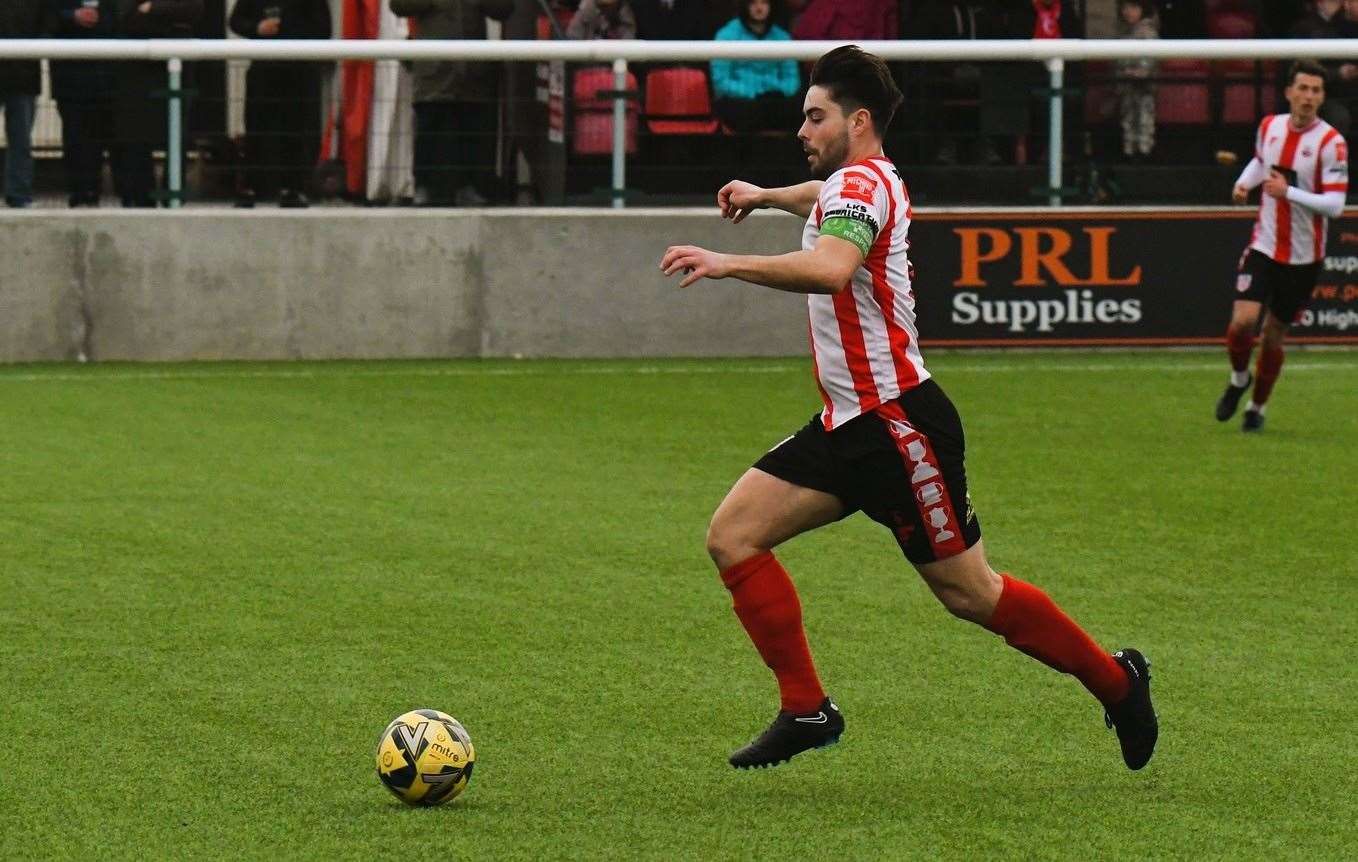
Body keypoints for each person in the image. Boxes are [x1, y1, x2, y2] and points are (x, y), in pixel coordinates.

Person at [659, 45, 1158, 771]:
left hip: (898, 424)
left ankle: (1118, 683)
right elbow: (824, 201)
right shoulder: (862, 181)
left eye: (815, 116)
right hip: (847, 423)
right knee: (733, 537)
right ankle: (806, 709)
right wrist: (768, 194)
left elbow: (833, 268)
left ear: (857, 120)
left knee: (970, 594)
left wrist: (725, 261)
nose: (802, 128)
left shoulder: (860, 187)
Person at [1217, 60, 1347, 432]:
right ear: (1289, 92)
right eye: (1302, 89)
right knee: (1242, 324)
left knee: (1274, 336)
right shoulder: (1269, 126)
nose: (1308, 97)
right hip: (1265, 245)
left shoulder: (1331, 143)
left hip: (1304, 258)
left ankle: (1257, 406)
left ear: (1321, 97)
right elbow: (1262, 163)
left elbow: (1336, 206)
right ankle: (1239, 379)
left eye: (1316, 91)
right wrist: (1244, 183)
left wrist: (1286, 192)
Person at [390, 0, 515, 207]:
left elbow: (503, 9)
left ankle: (469, 187)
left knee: (473, 133)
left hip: (473, 75)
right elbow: (399, 6)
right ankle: (426, 187)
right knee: (431, 131)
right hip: (434, 74)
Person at [229, 0, 333, 208]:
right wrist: (257, 29)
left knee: (298, 130)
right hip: (264, 70)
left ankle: (294, 188)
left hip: (300, 71)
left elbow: (323, 29)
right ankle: (255, 186)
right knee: (257, 126)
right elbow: (236, 21)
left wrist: (288, 33)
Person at [112, 0, 204, 207]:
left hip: (179, 66)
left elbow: (193, 8)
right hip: (136, 67)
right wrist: (167, 18)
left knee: (177, 131)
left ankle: (173, 195)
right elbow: (127, 18)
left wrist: (152, 8)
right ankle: (141, 197)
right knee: (136, 133)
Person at [50, 0, 118, 207]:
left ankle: (93, 191)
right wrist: (71, 17)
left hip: (106, 76)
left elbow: (123, 16)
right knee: (74, 136)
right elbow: (47, 17)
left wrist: (102, 19)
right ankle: (78, 191)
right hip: (69, 77)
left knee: (100, 135)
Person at [711, 0, 800, 135]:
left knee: (800, 111)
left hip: (775, 101)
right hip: (740, 102)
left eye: (764, 2)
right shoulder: (726, 35)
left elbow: (792, 80)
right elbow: (720, 82)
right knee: (746, 113)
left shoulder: (782, 37)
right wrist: (753, 93)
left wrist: (776, 91)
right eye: (753, 2)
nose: (759, 7)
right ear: (744, 5)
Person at [0, 1, 44, 208]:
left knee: (21, 141)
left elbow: (47, 24)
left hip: (23, 75)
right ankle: (19, 194)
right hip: (24, 73)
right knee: (21, 141)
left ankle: (19, 194)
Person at [1114, 0, 1157, 163]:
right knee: (1127, 122)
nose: (1128, 12)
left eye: (1134, 7)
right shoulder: (1123, 32)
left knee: (1144, 122)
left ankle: (1144, 156)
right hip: (1126, 88)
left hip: (1144, 88)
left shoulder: (1148, 32)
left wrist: (1138, 72)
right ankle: (1129, 154)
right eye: (1125, 7)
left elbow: (1150, 61)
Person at [566, 0, 637, 39]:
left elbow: (627, 42)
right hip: (586, 61)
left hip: (617, 62)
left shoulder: (625, 12)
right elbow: (572, 40)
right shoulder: (585, 10)